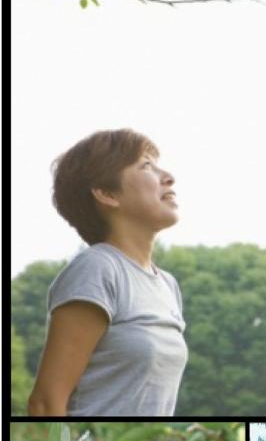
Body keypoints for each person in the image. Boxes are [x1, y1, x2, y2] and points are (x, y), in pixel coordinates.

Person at [27, 129, 187, 416]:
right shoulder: (97, 269)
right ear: (107, 194)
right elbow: (45, 403)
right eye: (146, 165)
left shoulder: (168, 285)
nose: (168, 176)